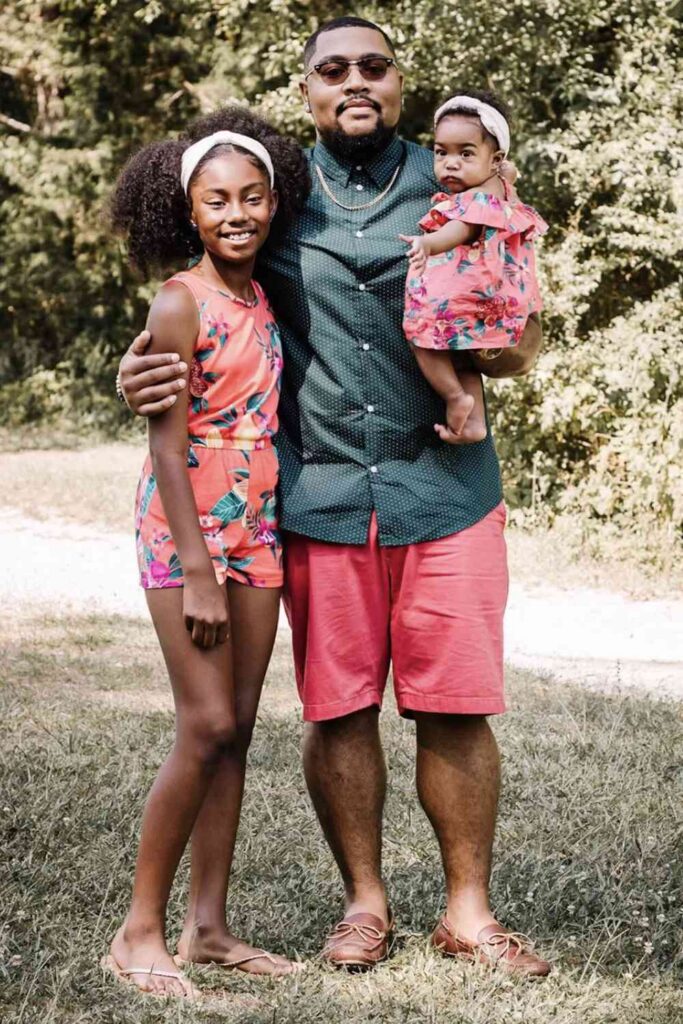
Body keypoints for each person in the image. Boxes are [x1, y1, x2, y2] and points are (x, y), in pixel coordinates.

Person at [118, 17, 551, 977]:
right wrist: (137, 367)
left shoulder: (458, 179)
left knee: (456, 704)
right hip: (316, 494)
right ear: (307, 89)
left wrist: (505, 346)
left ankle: (468, 914)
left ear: (399, 81)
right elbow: (204, 293)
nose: (354, 81)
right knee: (340, 708)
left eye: (373, 66)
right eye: (332, 69)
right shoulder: (280, 195)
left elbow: (522, 323)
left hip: (443, 489)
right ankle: (364, 905)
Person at [103, 107, 309, 998]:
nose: (236, 213)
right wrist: (197, 572)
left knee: (239, 728)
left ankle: (209, 927)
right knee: (206, 724)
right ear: (188, 210)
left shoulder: (261, 296)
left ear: (274, 202)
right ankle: (138, 931)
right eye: (217, 200)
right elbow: (164, 445)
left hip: (258, 521)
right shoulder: (179, 299)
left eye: (252, 196)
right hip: (187, 528)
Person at [401, 89, 547, 443]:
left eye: (465, 153)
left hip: (471, 301)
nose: (451, 163)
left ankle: (455, 396)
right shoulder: (500, 186)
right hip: (500, 305)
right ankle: (473, 423)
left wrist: (428, 244)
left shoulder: (476, 199)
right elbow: (508, 172)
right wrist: (504, 170)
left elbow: (460, 229)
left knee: (421, 335)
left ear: (493, 159)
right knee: (461, 358)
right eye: (441, 152)